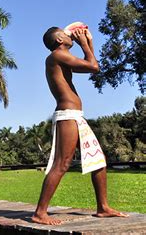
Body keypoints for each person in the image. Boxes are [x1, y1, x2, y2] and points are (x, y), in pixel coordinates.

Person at [31, 27, 128, 225]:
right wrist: (84, 42)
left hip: (76, 117)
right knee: (62, 163)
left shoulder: (61, 57)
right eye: (66, 33)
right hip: (67, 117)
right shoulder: (57, 56)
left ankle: (103, 207)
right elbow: (93, 67)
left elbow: (92, 64)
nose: (70, 35)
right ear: (59, 39)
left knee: (98, 160)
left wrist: (88, 42)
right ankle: (40, 213)